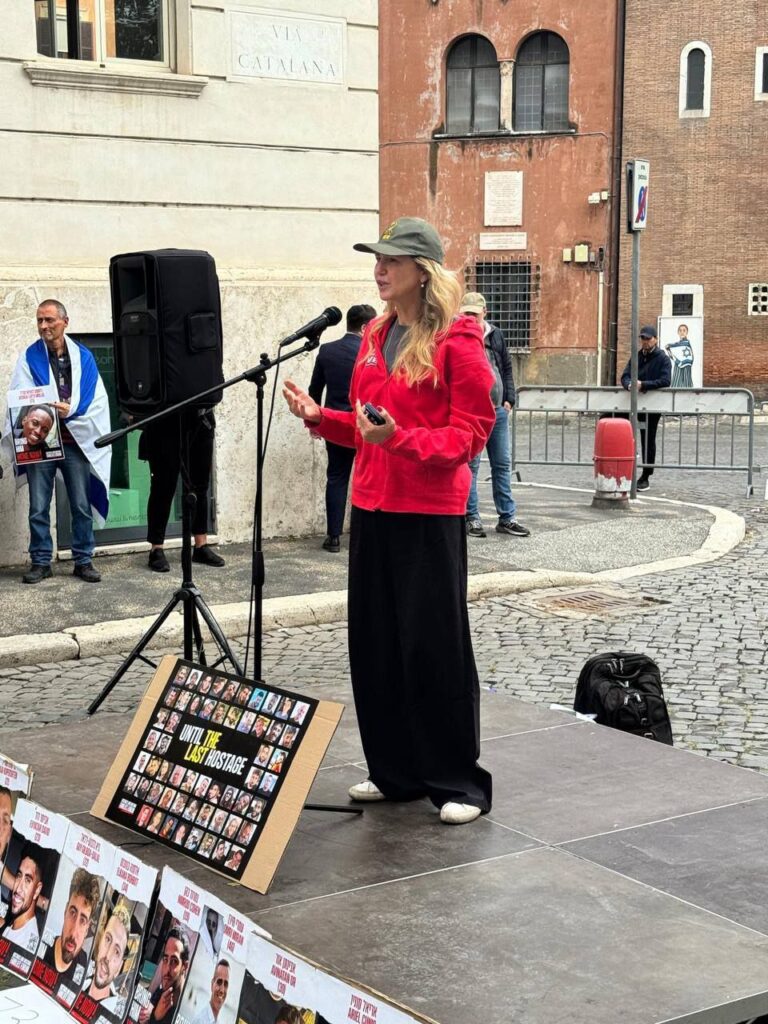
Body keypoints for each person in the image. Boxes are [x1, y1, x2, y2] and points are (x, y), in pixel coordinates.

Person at [283, 216, 495, 825]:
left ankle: (458, 781)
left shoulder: (459, 340)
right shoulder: (377, 332)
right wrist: (322, 418)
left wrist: (400, 438)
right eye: (377, 259)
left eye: (392, 261)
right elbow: (367, 426)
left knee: (433, 647)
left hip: (428, 512)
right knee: (375, 644)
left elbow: (469, 436)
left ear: (421, 273)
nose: (380, 268)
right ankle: (395, 771)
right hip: (372, 504)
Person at [7, 300, 111, 584]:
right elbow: (20, 394)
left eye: (49, 320)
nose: (43, 327)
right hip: (40, 445)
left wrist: (72, 409)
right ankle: (41, 561)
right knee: (38, 506)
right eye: (39, 320)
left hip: (74, 441)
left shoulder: (84, 357)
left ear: (65, 321)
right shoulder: (30, 356)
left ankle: (83, 560)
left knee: (80, 503)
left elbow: (93, 398)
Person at [308, 303, 377, 552]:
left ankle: (333, 536)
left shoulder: (327, 351)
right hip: (367, 424)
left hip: (336, 424)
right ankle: (365, 535)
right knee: (368, 477)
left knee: (336, 477)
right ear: (365, 327)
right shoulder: (371, 353)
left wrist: (316, 422)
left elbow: (314, 391)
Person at [459, 293, 530, 539]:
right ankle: (472, 518)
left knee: (502, 464)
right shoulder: (458, 335)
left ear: (484, 313)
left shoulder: (495, 335)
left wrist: (510, 398)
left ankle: (507, 517)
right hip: (473, 413)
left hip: (498, 410)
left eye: (473, 314)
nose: (469, 318)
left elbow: (505, 368)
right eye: (465, 313)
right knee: (472, 466)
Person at [139, 407, 224, 573]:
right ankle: (156, 548)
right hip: (166, 417)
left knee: (200, 485)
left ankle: (201, 546)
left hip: (201, 417)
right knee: (162, 485)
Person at [620, 324, 672, 490]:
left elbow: (665, 381)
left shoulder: (663, 358)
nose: (645, 341)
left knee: (648, 438)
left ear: (655, 339)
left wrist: (644, 385)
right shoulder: (637, 356)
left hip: (652, 405)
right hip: (634, 403)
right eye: (643, 338)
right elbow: (625, 375)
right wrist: (629, 385)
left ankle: (646, 475)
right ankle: (623, 462)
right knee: (610, 419)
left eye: (648, 338)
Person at [42, 867, 101, 986]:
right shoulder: (41, 948)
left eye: (83, 920)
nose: (74, 932)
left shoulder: (84, 971)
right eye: (73, 913)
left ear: (87, 928)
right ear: (65, 911)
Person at [139, 926, 190, 1023]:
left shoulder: (184, 1012)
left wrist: (155, 1018)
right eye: (165, 960)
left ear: (185, 966)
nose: (167, 969)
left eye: (174, 961)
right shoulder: (161, 990)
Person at [1, 842, 45, 952]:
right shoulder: (14, 925)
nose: (18, 887)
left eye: (27, 880)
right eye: (19, 875)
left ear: (37, 890)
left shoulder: (26, 942)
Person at [85, 904, 131, 1006]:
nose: (107, 957)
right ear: (100, 940)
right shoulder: (79, 981)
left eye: (116, 952)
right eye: (108, 939)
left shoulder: (113, 1017)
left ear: (119, 967)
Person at [192, 960, 229, 1024]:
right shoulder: (200, 1020)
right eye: (219, 982)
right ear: (212, 984)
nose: (222, 990)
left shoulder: (217, 1021)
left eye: (225, 984)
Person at [665, 323, 695, 388]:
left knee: (686, 383)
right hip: (678, 364)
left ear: (687, 332)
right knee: (677, 381)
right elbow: (674, 350)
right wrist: (669, 348)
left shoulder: (686, 343)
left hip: (686, 366)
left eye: (684, 330)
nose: (682, 332)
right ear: (678, 332)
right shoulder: (678, 344)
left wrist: (669, 346)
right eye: (680, 330)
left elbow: (691, 356)